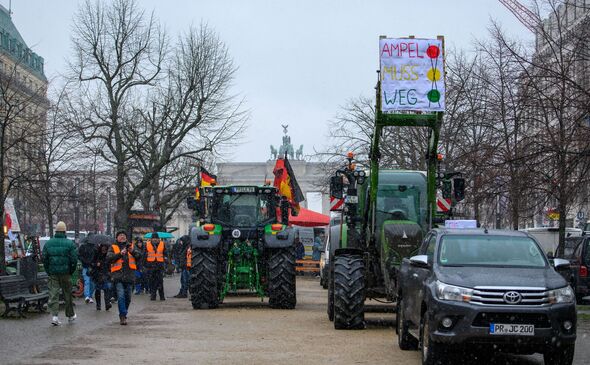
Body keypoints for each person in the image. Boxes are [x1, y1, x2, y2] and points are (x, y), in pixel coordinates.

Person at [42, 221, 78, 326]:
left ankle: (55, 316)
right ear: (65, 231)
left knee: (54, 294)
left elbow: (44, 258)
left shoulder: (49, 243)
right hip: (66, 273)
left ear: (56, 231)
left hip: (53, 273)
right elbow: (74, 260)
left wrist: (49, 270)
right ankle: (70, 315)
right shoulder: (70, 243)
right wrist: (70, 270)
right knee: (67, 294)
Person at [107, 230, 141, 325]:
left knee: (128, 297)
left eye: (124, 235)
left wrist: (132, 251)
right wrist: (119, 254)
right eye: (120, 235)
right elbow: (109, 259)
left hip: (129, 276)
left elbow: (139, 256)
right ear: (117, 237)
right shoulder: (113, 247)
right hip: (118, 276)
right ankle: (122, 316)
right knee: (121, 296)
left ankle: (124, 313)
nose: (122, 237)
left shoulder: (131, 246)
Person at [145, 233, 167, 301]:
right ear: (151, 239)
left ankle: (162, 296)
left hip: (159, 265)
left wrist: (167, 261)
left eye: (156, 238)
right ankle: (153, 295)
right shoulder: (147, 244)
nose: (155, 239)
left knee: (160, 281)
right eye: (153, 238)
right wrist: (144, 265)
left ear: (158, 239)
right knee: (151, 281)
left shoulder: (162, 244)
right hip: (150, 265)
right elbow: (144, 255)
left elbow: (165, 253)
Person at [92, 243, 112, 311]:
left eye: (105, 248)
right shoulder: (97, 254)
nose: (103, 249)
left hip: (106, 273)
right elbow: (92, 262)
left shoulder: (109, 254)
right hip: (98, 274)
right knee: (98, 290)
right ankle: (98, 305)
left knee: (107, 289)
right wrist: (96, 264)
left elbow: (110, 263)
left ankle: (107, 304)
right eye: (102, 247)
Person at [78, 236, 96, 304]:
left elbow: (79, 255)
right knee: (90, 282)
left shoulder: (83, 247)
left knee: (89, 282)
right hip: (90, 267)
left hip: (87, 266)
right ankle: (88, 296)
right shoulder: (94, 247)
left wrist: (84, 261)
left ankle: (88, 296)